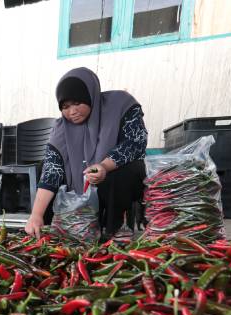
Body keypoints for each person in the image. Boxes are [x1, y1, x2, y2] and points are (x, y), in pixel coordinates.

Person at [24, 67, 148, 239]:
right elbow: (51, 171)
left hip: (117, 175)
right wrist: (35, 214)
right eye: (65, 107)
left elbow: (135, 143)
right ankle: (53, 234)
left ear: (90, 96)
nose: (72, 111)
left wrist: (104, 166)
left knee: (120, 175)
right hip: (83, 181)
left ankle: (115, 232)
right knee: (47, 177)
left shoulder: (119, 104)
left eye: (77, 103)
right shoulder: (61, 129)